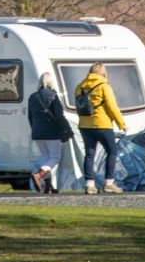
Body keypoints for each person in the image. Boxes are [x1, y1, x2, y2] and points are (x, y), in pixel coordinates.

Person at [74, 62, 126, 193]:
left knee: (89, 154)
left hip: (84, 125)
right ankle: (109, 182)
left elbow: (79, 107)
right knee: (112, 151)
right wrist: (122, 124)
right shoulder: (104, 86)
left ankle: (89, 185)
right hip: (102, 123)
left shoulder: (80, 87)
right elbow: (112, 107)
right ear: (103, 72)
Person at [25, 72, 72, 193]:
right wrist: (68, 130)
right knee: (55, 158)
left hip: (37, 133)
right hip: (51, 132)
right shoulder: (53, 96)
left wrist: (35, 129)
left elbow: (30, 116)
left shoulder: (32, 97)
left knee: (47, 158)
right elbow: (59, 116)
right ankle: (39, 175)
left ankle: (48, 186)